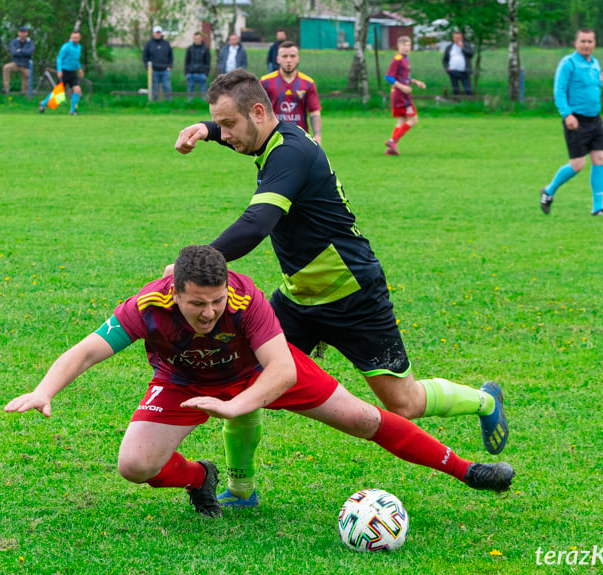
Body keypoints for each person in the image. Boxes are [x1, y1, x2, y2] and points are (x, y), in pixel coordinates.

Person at [174, 70, 509, 507]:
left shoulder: (290, 154)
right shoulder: (271, 139)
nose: (228, 134)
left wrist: (201, 265)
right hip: (298, 297)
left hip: (353, 294)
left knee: (402, 403)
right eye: (222, 124)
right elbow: (238, 132)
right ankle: (240, 491)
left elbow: (257, 225)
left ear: (259, 112)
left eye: (230, 124)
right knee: (244, 380)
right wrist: (208, 130)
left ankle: (485, 401)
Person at [5, 245, 515, 518]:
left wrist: (239, 403)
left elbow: (283, 369)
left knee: (364, 417)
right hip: (182, 379)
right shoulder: (147, 305)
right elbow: (88, 349)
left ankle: (470, 471)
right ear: (174, 291)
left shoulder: (246, 299)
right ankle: (200, 479)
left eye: (216, 301)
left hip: (259, 370)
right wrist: (45, 390)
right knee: (135, 466)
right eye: (196, 303)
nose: (209, 312)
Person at [541, 28, 603, 217]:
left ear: (595, 43)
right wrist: (567, 115)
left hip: (595, 120)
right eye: (583, 41)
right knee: (578, 165)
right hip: (576, 121)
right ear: (575, 43)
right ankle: (549, 191)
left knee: (600, 159)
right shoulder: (568, 63)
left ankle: (597, 208)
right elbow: (559, 91)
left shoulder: (595, 64)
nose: (586, 45)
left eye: (590, 41)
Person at [260, 41, 322, 145]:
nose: (289, 60)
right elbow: (259, 112)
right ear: (278, 59)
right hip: (273, 139)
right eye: (284, 56)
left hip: (300, 139)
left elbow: (314, 112)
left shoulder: (308, 83)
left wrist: (317, 137)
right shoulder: (265, 82)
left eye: (292, 56)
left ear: (298, 59)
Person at [384, 36, 426, 156]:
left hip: (400, 94)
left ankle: (391, 148)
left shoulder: (405, 59)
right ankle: (392, 141)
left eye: (408, 45)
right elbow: (388, 77)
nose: (407, 48)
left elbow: (404, 77)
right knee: (413, 119)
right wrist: (402, 87)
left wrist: (416, 82)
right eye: (404, 45)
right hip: (401, 95)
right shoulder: (397, 59)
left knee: (401, 120)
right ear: (399, 46)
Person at [39, 31, 83, 115]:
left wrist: (80, 68)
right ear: (71, 37)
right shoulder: (66, 46)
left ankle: (73, 111)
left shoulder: (79, 47)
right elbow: (59, 59)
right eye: (73, 37)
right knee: (58, 93)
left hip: (72, 72)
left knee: (77, 90)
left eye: (76, 38)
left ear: (79, 38)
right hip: (64, 72)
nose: (75, 39)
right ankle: (43, 103)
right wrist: (59, 70)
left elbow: (76, 59)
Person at [143, 25, 173, 101]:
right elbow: (145, 57)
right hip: (153, 70)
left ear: (161, 33)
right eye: (156, 32)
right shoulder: (149, 44)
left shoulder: (166, 44)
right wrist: (148, 68)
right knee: (154, 88)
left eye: (159, 32)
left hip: (165, 70)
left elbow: (170, 56)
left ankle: (169, 102)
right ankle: (154, 103)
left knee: (166, 87)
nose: (158, 34)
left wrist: (169, 66)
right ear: (153, 33)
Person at [2, 26, 35, 95]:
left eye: (24, 32)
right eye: (21, 32)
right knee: (6, 67)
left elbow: (30, 52)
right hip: (16, 63)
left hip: (26, 65)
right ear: (18, 33)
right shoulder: (13, 42)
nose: (22, 34)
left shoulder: (31, 42)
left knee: (28, 75)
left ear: (27, 33)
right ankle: (6, 88)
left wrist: (20, 50)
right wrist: (24, 52)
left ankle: (24, 93)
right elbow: (14, 52)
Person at [442, 31, 474, 96]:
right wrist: (447, 67)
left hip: (464, 71)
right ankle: (456, 101)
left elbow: (471, 54)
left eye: (458, 38)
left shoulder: (466, 45)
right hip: (453, 71)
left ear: (462, 38)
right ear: (453, 38)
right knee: (455, 89)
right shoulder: (450, 47)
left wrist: (463, 48)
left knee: (468, 89)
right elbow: (444, 59)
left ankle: (470, 102)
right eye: (455, 38)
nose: (457, 39)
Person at [184, 32, 211, 100]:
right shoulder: (190, 49)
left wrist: (206, 74)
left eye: (198, 38)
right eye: (195, 39)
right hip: (191, 73)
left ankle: (204, 105)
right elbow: (186, 61)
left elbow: (208, 62)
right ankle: (190, 104)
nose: (196, 40)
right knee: (190, 91)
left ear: (201, 38)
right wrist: (186, 73)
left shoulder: (206, 49)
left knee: (203, 92)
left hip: (202, 74)